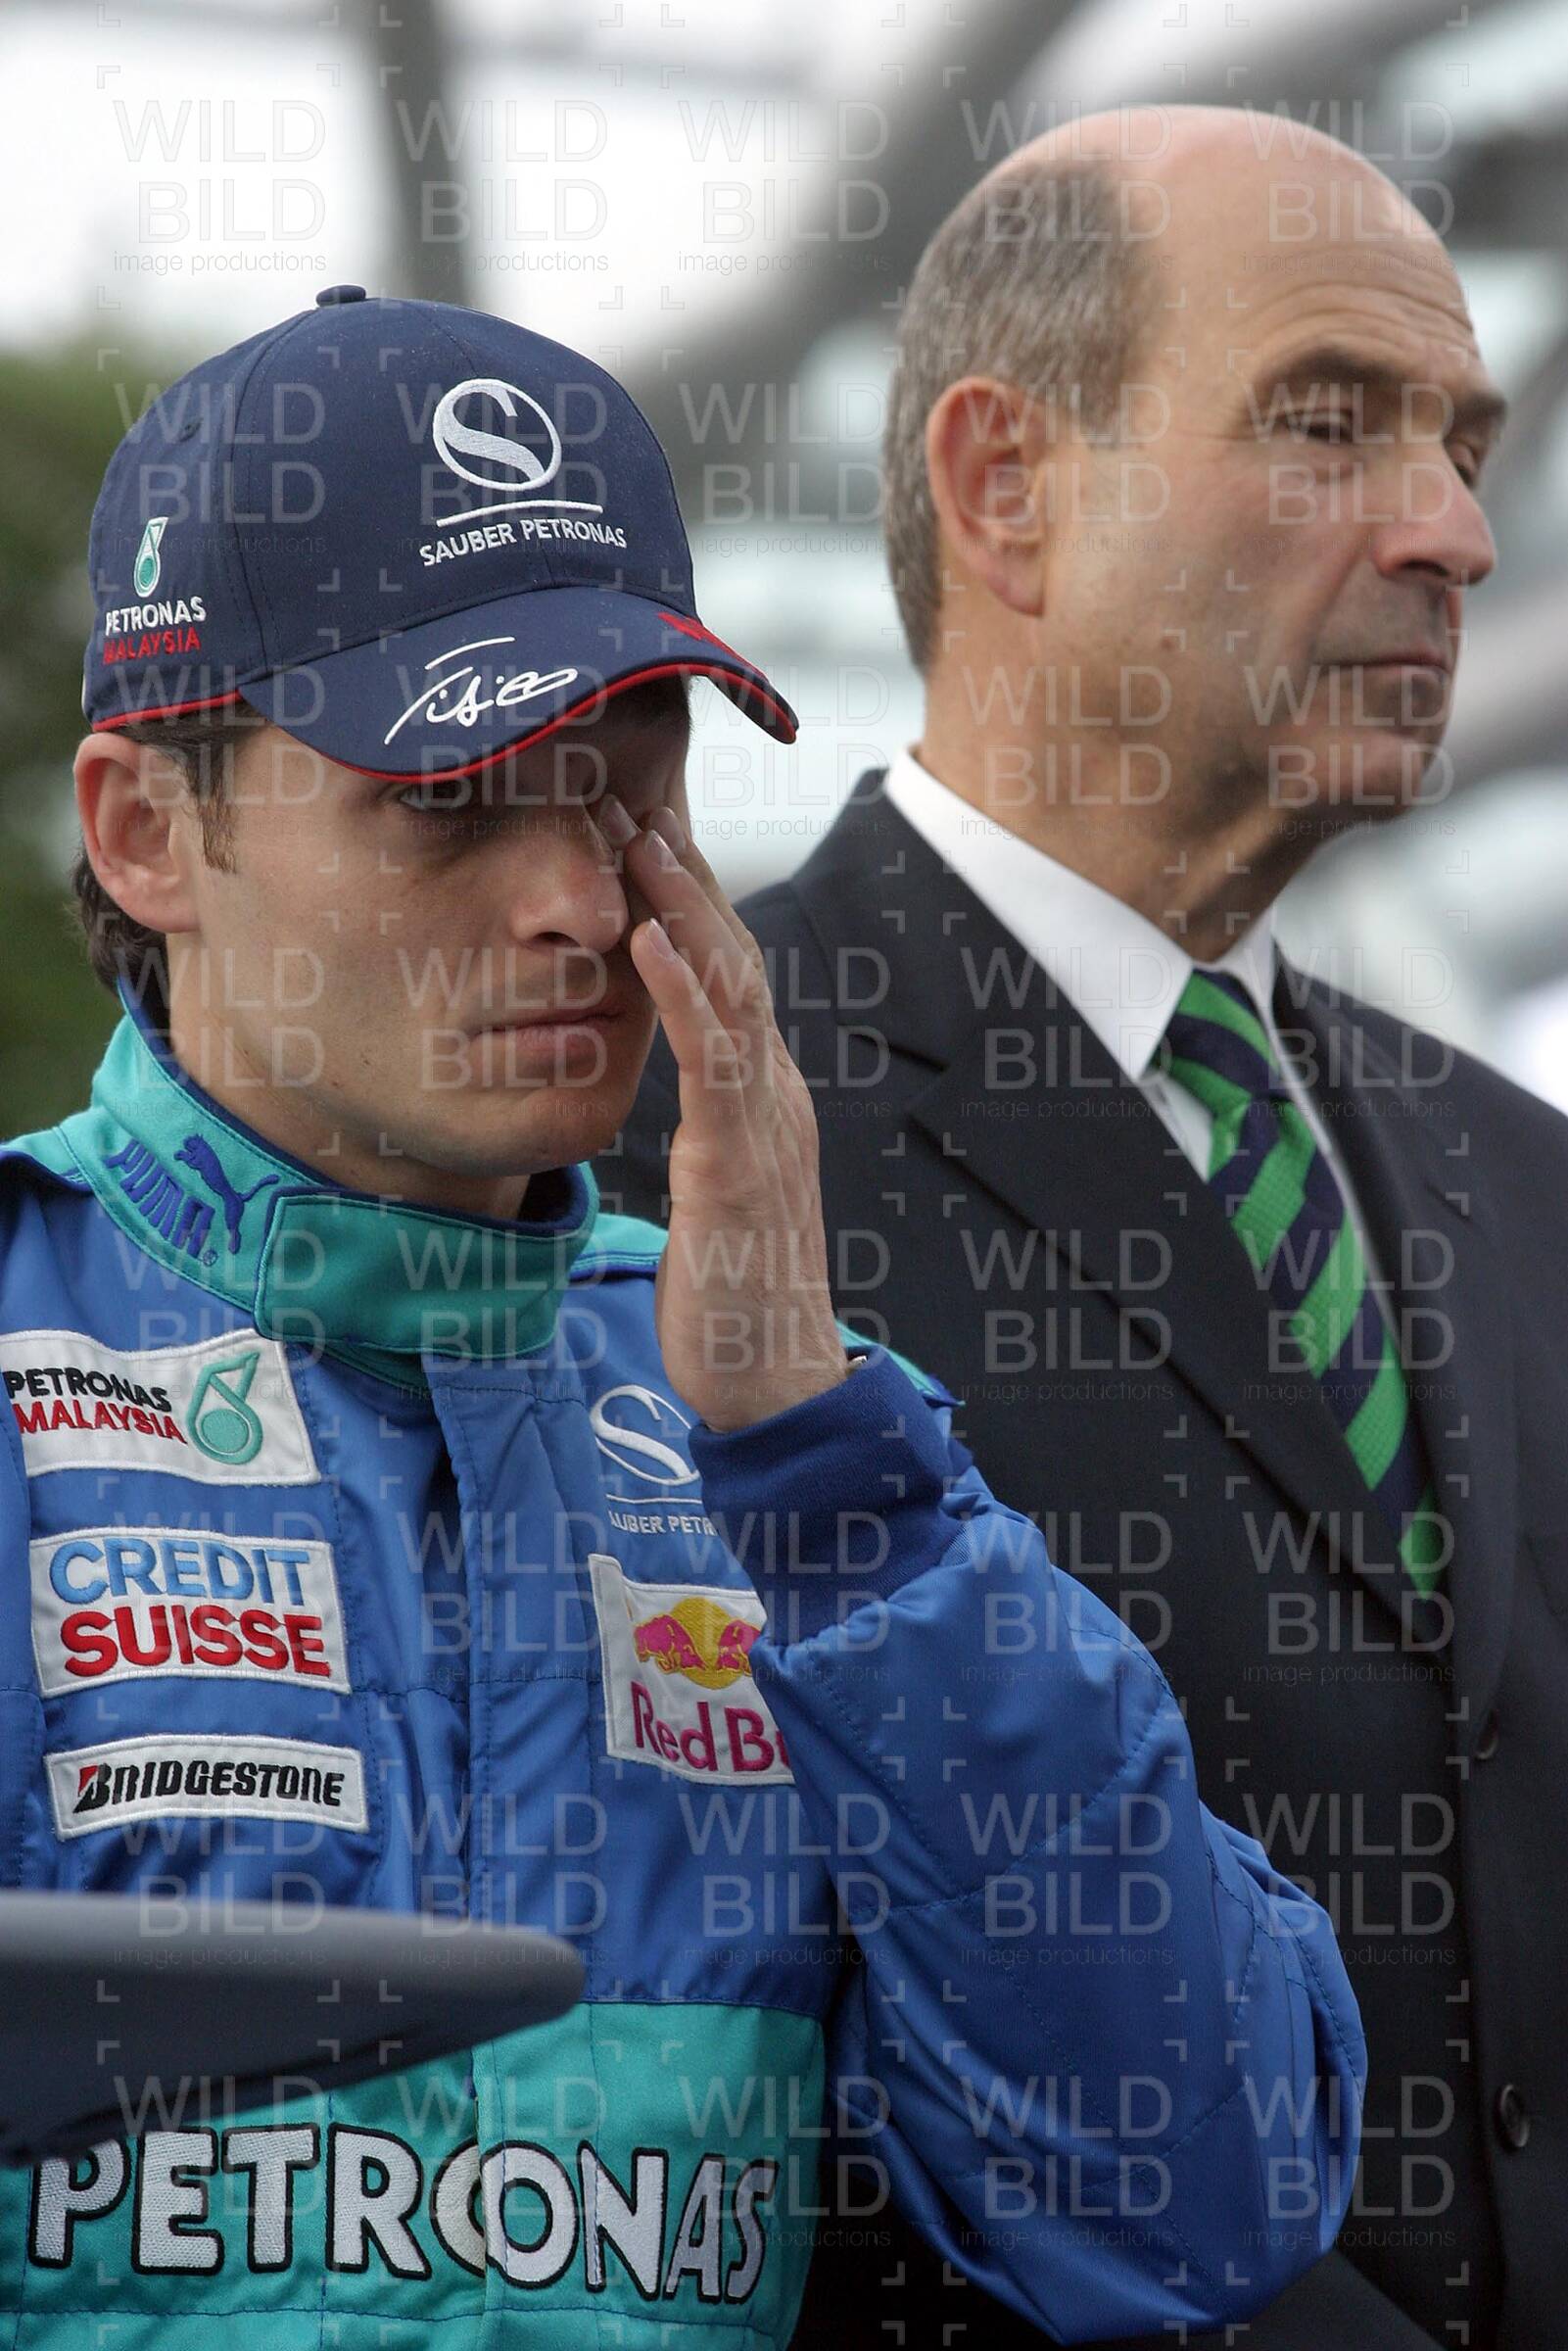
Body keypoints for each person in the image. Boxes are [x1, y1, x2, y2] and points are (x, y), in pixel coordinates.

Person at [0, 289, 1360, 2345]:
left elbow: (1193, 2200)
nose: (579, 902)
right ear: (145, 833)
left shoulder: (812, 1456)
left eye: (628, 792)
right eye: (448, 800)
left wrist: (833, 1485)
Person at [608, 103, 1557, 2350]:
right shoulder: (658, 1134)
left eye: (1461, 444)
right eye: (1327, 423)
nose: (1452, 530)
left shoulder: (1528, 1184)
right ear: (1004, 482)